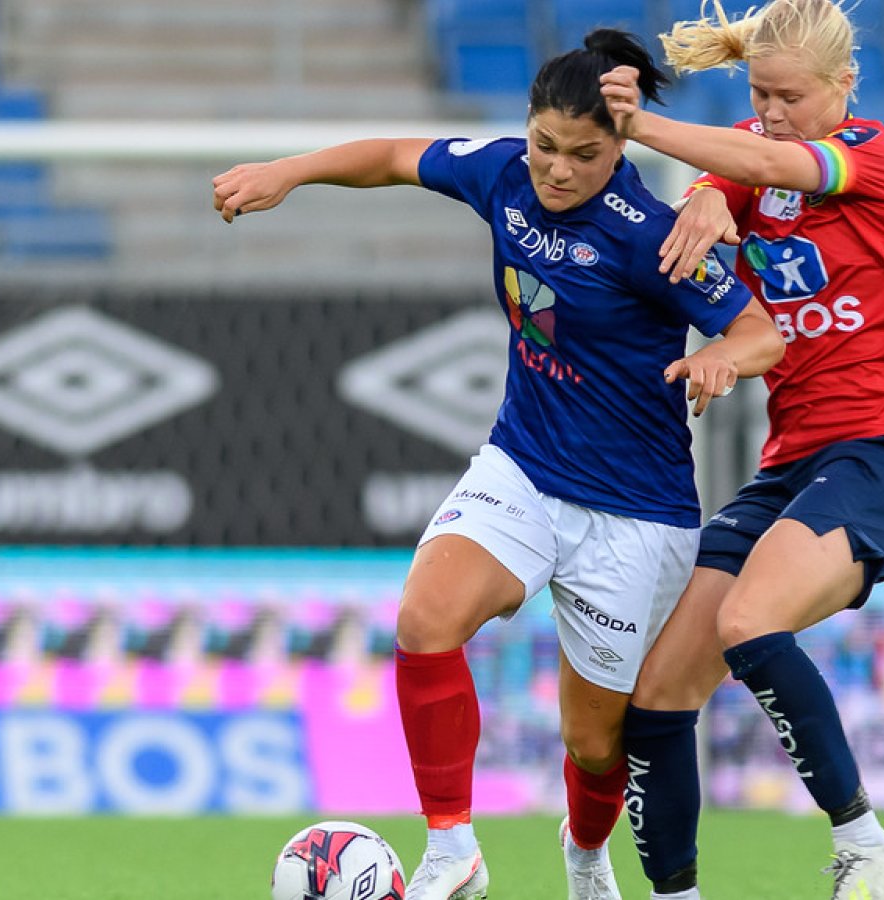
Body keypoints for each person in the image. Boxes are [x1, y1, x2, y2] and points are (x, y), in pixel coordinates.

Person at [213, 29, 783, 900]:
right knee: (426, 616)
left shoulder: (650, 236)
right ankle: (452, 848)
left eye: (583, 155)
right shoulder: (503, 172)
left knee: (595, 742)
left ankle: (586, 858)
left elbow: (758, 330)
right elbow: (397, 156)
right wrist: (290, 171)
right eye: (545, 144)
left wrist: (722, 360)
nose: (557, 169)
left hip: (637, 512)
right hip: (522, 464)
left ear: (621, 147)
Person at [599, 2, 884, 897]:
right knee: (658, 696)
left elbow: (762, 162)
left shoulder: (873, 152)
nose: (772, 109)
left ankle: (866, 843)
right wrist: (708, 199)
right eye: (758, 92)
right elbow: (726, 185)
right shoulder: (748, 164)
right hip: (791, 461)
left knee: (751, 622)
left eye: (791, 95)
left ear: (844, 88)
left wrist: (644, 127)